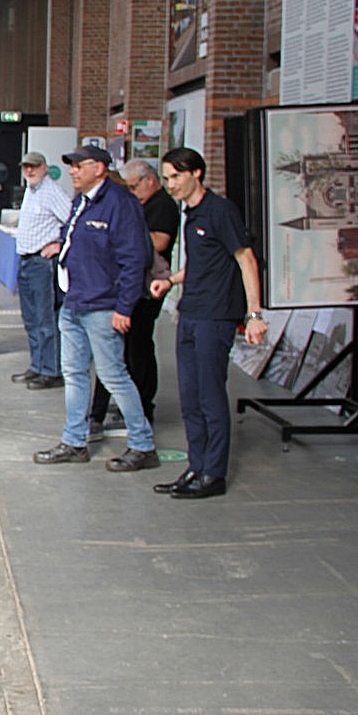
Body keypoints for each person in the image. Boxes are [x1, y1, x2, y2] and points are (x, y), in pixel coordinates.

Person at [149, 147, 267, 499]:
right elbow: (203, 263)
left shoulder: (221, 211)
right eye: (166, 178)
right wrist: (171, 281)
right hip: (190, 312)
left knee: (210, 396)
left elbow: (246, 259)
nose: (171, 184)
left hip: (215, 316)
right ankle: (196, 466)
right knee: (189, 397)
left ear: (196, 173)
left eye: (176, 177)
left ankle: (214, 474)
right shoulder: (191, 214)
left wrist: (254, 315)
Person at [31, 145, 157, 471]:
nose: (72, 171)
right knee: (74, 375)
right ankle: (75, 442)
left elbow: (134, 259)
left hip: (103, 306)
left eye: (78, 165)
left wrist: (124, 308)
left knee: (113, 376)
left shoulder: (119, 203)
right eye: (71, 166)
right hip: (74, 302)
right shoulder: (81, 201)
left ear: (99, 168)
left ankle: (143, 445)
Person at [87, 157, 179, 437]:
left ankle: (142, 407)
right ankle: (118, 406)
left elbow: (159, 242)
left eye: (134, 186)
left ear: (149, 180)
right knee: (122, 349)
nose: (132, 192)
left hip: (148, 287)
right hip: (131, 284)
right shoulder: (139, 203)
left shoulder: (162, 205)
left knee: (137, 348)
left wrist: (124, 232)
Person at [11, 151, 71, 390]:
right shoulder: (31, 190)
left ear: (45, 167)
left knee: (46, 319)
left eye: (34, 166)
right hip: (27, 260)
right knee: (31, 318)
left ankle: (52, 370)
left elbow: (72, 221)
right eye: (26, 166)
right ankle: (37, 365)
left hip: (42, 264)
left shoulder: (51, 191)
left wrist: (59, 244)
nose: (29, 170)